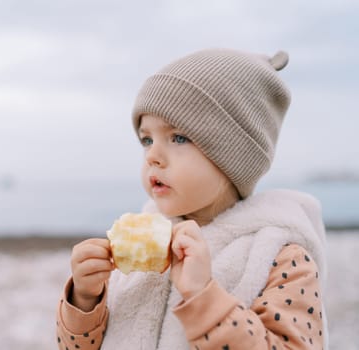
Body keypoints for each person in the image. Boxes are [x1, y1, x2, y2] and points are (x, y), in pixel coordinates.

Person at [55, 48, 328, 349]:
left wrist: (204, 297)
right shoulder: (145, 242)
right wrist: (84, 301)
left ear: (232, 156)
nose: (153, 157)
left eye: (179, 138)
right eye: (147, 140)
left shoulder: (280, 256)